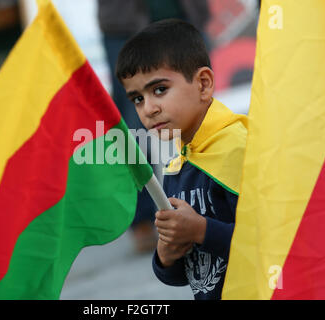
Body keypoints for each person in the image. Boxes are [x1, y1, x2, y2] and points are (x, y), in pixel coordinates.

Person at [115, 19, 247, 299]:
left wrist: (202, 230)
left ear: (203, 83)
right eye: (137, 98)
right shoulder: (178, 164)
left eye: (159, 90)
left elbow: (276, 249)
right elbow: (190, 276)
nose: (148, 109)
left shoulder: (239, 149)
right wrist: (165, 256)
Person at [98, 0, 212, 254]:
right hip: (125, 26)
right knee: (134, 130)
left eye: (159, 91)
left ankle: (213, 203)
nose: (151, 106)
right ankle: (144, 220)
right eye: (142, 99)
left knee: (203, 116)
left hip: (183, 17)